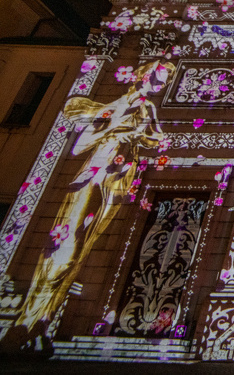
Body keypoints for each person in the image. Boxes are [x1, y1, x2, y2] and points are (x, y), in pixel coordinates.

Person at [15, 61, 175, 333]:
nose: (158, 88)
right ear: (142, 75)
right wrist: (117, 129)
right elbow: (79, 146)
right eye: (156, 80)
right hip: (92, 176)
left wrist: (148, 139)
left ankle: (44, 319)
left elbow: (160, 138)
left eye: (162, 84)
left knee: (84, 248)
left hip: (118, 182)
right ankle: (30, 317)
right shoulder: (115, 106)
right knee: (66, 247)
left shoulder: (148, 109)